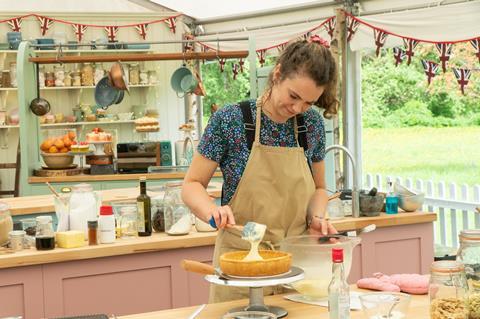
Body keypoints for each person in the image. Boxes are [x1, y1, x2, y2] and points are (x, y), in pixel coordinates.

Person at [182, 37, 339, 303]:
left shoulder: (309, 124)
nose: (298, 108)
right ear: (277, 74)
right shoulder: (230, 120)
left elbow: (320, 189)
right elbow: (192, 184)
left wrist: (317, 218)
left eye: (309, 103)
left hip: (294, 265)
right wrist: (212, 211)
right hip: (241, 264)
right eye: (293, 96)